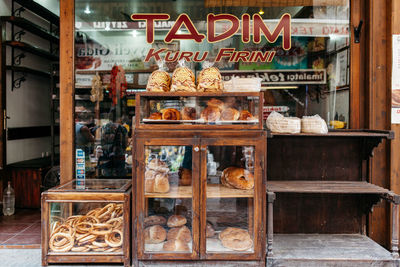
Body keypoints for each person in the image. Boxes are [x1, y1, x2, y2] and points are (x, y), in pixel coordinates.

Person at [98, 108, 128, 177]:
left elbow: (101, 142)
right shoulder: (123, 129)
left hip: (106, 158)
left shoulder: (104, 127)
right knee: (120, 181)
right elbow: (125, 144)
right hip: (119, 158)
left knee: (107, 180)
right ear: (120, 117)